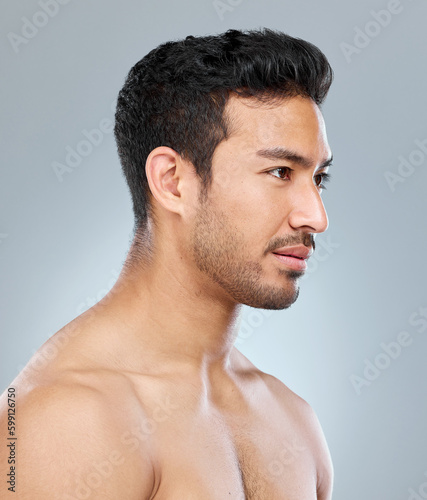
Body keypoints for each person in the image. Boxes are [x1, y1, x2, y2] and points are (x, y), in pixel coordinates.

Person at [0, 28, 334, 499]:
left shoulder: (291, 419)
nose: (316, 216)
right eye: (280, 172)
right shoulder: (66, 421)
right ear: (173, 181)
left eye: (319, 177)